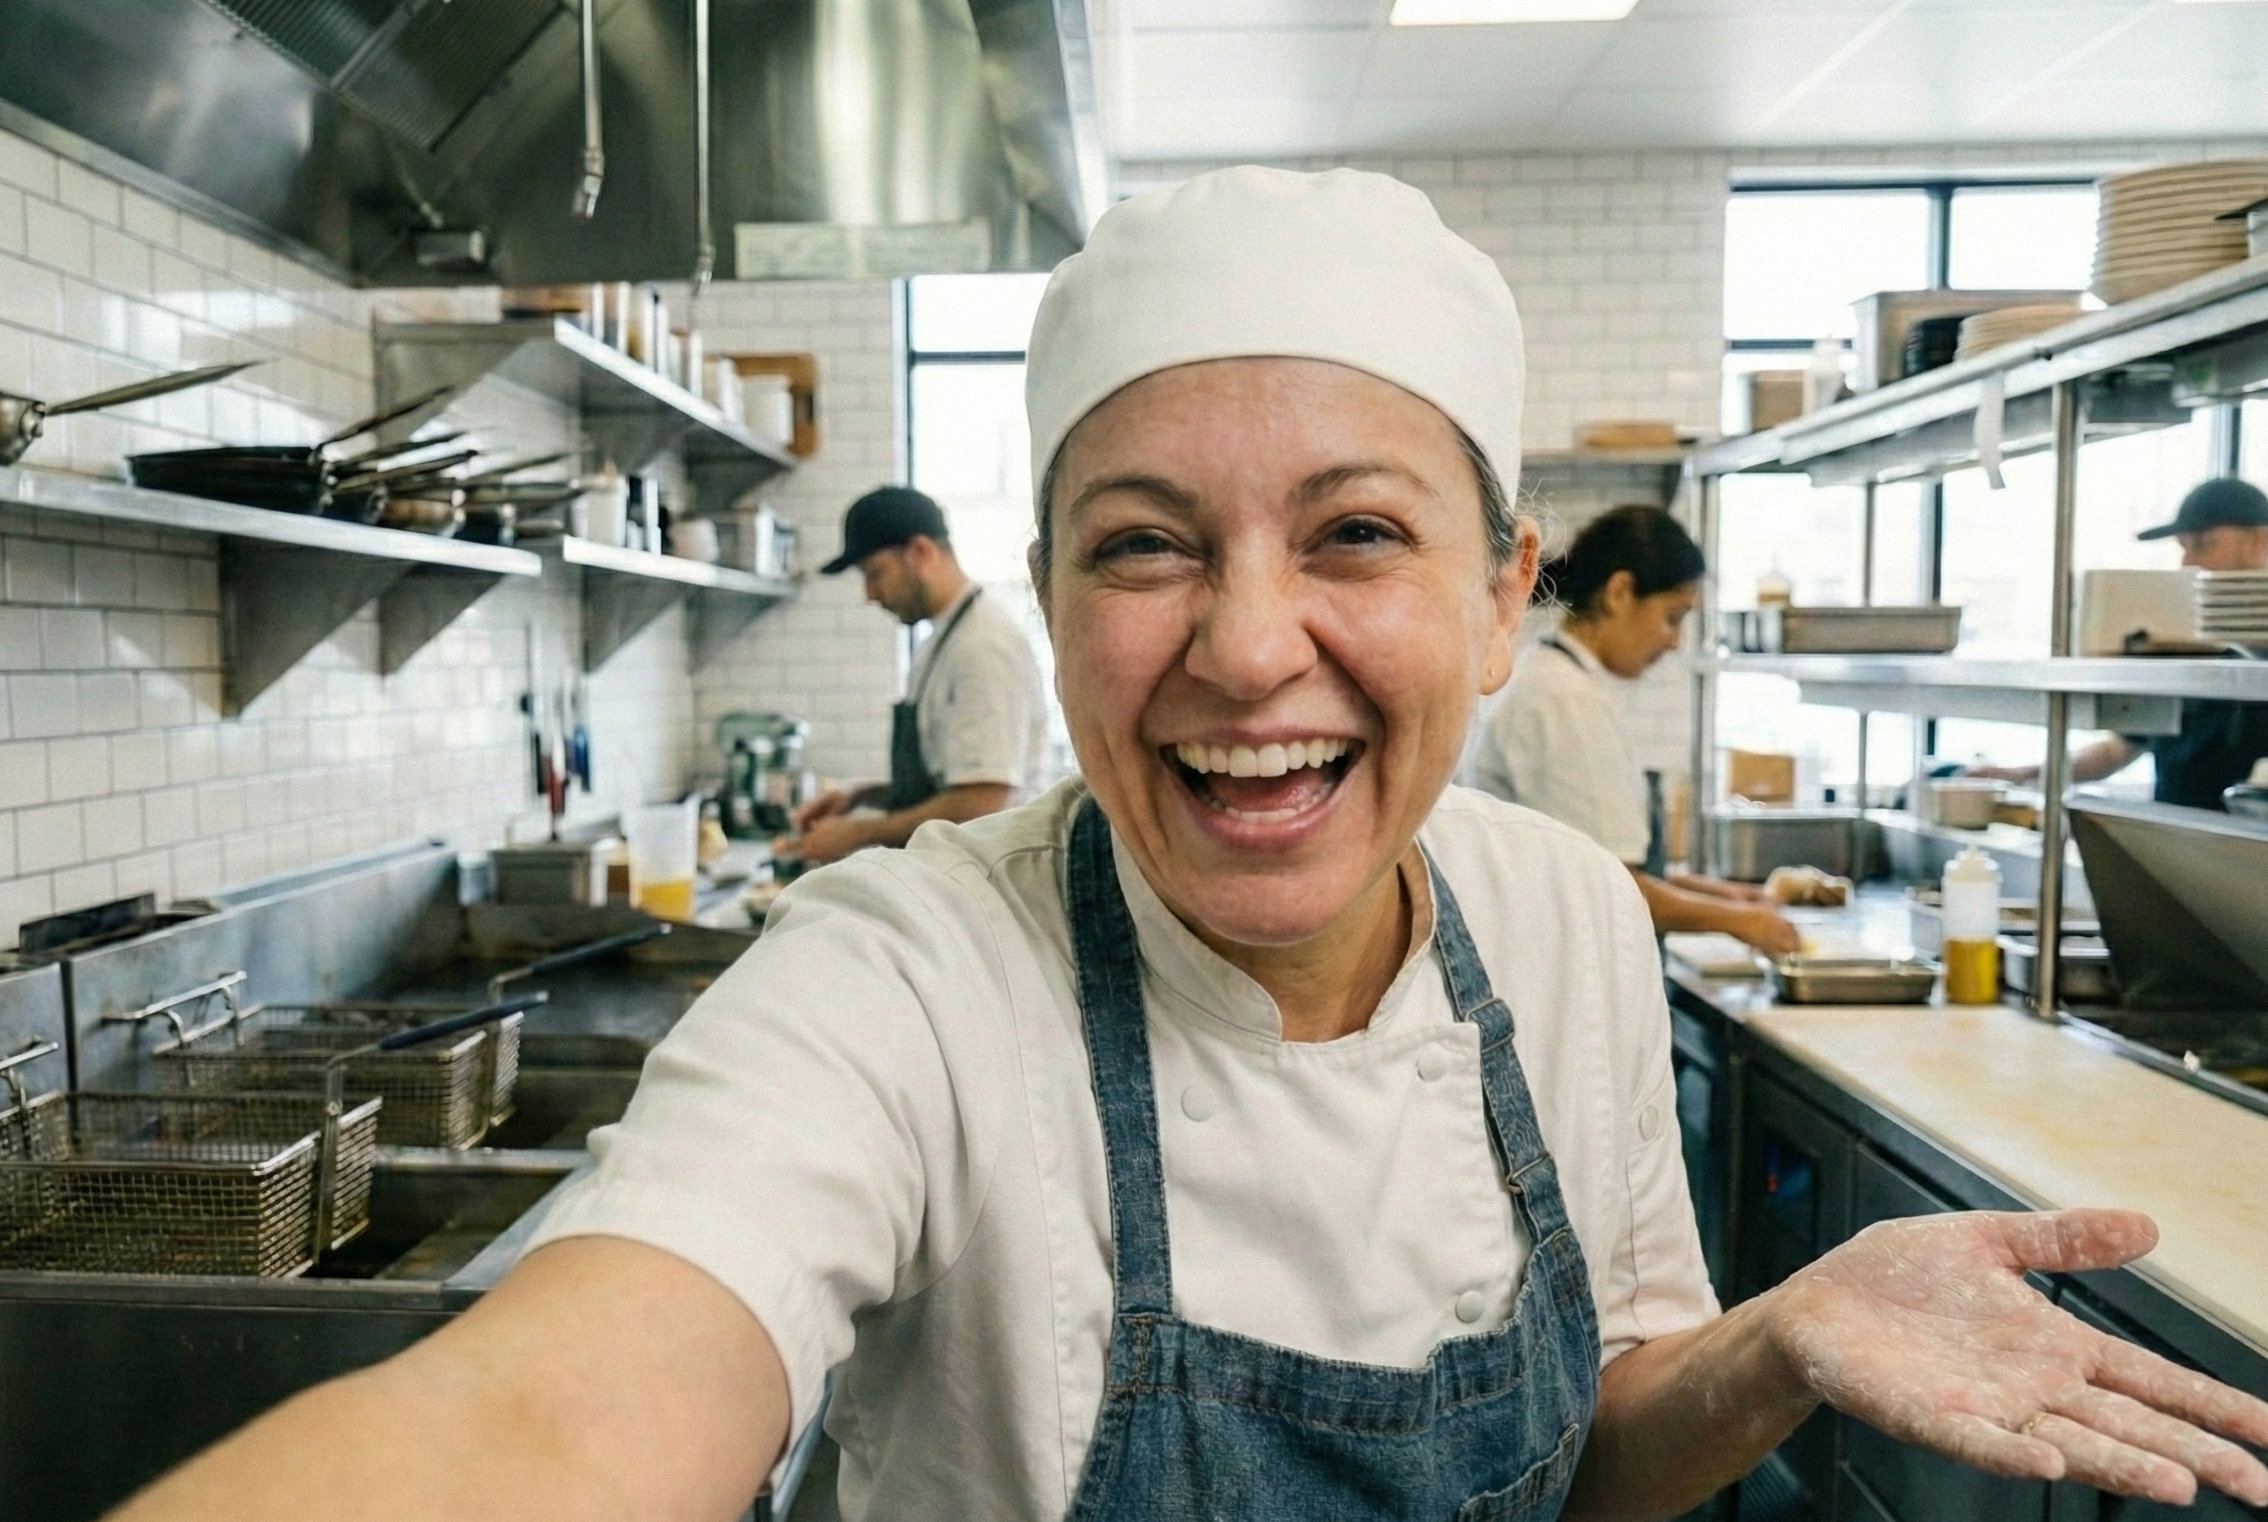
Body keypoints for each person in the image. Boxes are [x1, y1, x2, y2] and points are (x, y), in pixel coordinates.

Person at [109, 168, 2268, 1522]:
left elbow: (1595, 1444)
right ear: (1050, 593)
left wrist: (1771, 1343)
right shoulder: (903, 975)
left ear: (1503, 590)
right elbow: (555, 1418)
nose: (1251, 648)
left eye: (1355, 533)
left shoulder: (1552, 920)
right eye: (1145, 548)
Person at [1472, 505, 1803, 956]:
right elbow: (1615, 888)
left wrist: (1726, 895)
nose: (1675, 641)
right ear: (1620, 593)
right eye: (1673, 616)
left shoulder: (1554, 678)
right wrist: (1738, 921)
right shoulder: (1565, 701)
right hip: (1557, 963)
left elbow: (1605, 862)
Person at [785, 485, 1048, 863]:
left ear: (921, 553)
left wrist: (857, 834)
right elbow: (949, 780)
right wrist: (861, 797)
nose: (870, 594)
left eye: (874, 573)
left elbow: (983, 801)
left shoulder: (983, 645)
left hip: (994, 880)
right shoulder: (943, 640)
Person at [1971, 476, 2268, 810]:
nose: (2188, 563)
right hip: (2177, 843)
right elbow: (2117, 749)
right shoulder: (2186, 646)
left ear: (2260, 540)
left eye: (2204, 544)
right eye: (2183, 548)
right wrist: (2022, 775)